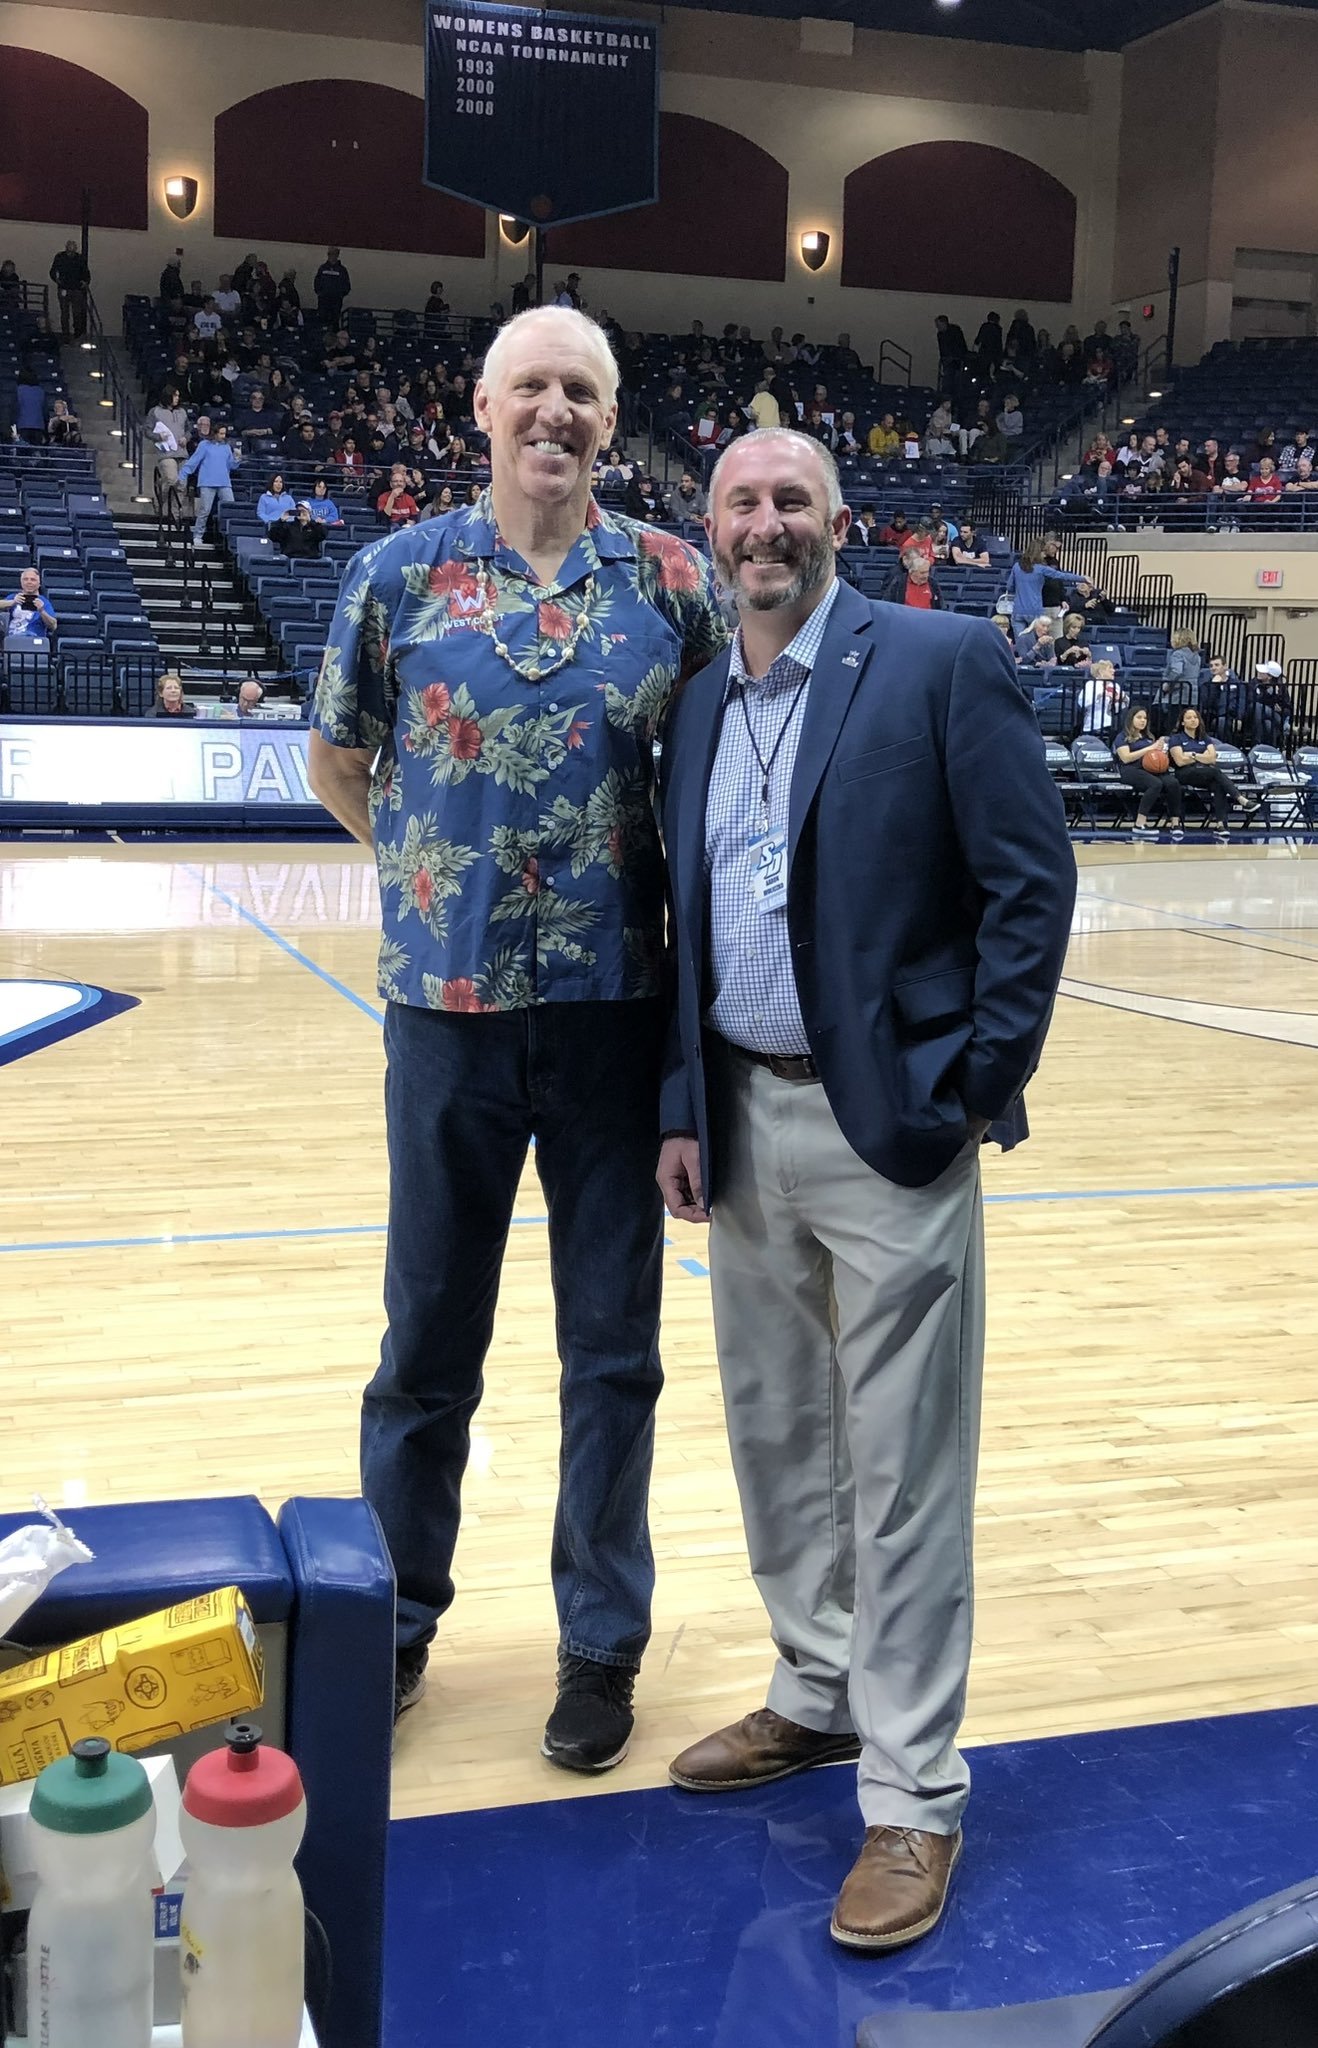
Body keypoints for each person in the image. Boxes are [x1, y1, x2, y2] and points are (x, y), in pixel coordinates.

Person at [655, 425, 1075, 1955]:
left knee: (902, 1474)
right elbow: (684, 921)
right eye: (740, 503)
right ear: (709, 528)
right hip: (738, 1117)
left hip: (890, 1125)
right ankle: (815, 1688)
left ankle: (911, 1794)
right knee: (779, 1435)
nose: (764, 525)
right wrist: (680, 1106)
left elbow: (1030, 882)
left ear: (838, 520)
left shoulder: (936, 661)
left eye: (790, 500)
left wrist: (966, 1088)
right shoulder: (698, 700)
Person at [306, 304, 728, 1767]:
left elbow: (717, 776)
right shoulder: (394, 577)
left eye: (582, 393)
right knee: (425, 1347)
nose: (556, 412)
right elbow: (337, 760)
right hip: (446, 1021)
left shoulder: (670, 581)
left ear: (609, 422)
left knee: (613, 1351)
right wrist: (424, 875)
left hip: (615, 1018)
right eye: (531, 387)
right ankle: (392, 1624)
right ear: (483, 409)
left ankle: (600, 1646)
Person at [1169, 706, 1259, 839]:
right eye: (1189, 718)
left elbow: (1212, 759)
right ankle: (1241, 799)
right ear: (1182, 722)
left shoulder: (1204, 738)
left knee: (1218, 784)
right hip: (1184, 773)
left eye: (1195, 717)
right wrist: (1202, 756)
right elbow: (1180, 761)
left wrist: (1193, 755)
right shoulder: (1176, 738)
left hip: (1204, 773)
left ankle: (1220, 825)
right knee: (1216, 773)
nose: (1193, 720)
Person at [1114, 706, 1183, 837]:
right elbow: (1126, 758)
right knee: (1155, 784)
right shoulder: (1122, 737)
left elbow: (1154, 756)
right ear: (1131, 719)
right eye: (1139, 717)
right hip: (1130, 769)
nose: (1143, 720)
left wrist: (1161, 751)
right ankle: (1139, 824)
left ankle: (1175, 823)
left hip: (1150, 768)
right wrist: (1150, 748)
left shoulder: (1149, 737)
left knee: (1173, 783)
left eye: (1145, 718)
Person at [179, 421, 241, 543]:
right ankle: (198, 535)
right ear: (215, 433)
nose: (223, 436)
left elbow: (231, 466)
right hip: (207, 482)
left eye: (224, 434)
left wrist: (237, 458)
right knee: (204, 510)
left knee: (230, 508)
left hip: (224, 482)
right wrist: (183, 474)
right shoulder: (204, 445)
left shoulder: (226, 447)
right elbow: (194, 461)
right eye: (221, 433)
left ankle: (231, 536)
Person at [2, 568, 57, 654]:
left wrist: (42, 611)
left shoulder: (44, 602)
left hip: (33, 642)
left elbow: (53, 625)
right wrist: (12, 602)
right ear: (21, 582)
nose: (29, 582)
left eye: (33, 580)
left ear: (39, 583)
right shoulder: (13, 597)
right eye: (25, 579)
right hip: (12, 641)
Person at [49, 239, 90, 341]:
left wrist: (85, 282)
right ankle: (66, 335)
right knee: (65, 313)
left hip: (76, 289)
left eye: (73, 251)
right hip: (64, 288)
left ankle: (77, 333)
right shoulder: (60, 257)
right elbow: (53, 271)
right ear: (66, 248)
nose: (71, 253)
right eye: (69, 251)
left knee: (77, 313)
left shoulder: (80, 258)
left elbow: (86, 272)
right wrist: (57, 280)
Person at [314, 248, 351, 325]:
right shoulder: (322, 268)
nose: (332, 256)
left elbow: (346, 285)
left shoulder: (342, 270)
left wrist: (340, 295)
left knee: (334, 322)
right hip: (323, 301)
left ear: (337, 255)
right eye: (330, 254)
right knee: (322, 321)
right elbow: (316, 282)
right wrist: (320, 293)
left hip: (336, 302)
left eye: (334, 254)